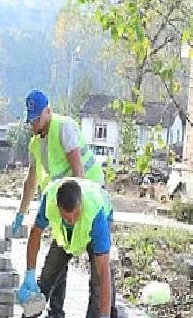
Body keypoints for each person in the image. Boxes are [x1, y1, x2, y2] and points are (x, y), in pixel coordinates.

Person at [11, 89, 108, 317]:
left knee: (98, 271)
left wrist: (78, 212)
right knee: (59, 255)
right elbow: (31, 181)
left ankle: (102, 313)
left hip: (87, 200)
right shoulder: (35, 144)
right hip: (62, 202)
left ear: (48, 111)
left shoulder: (64, 127)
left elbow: (78, 172)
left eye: (37, 118)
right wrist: (20, 213)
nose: (34, 123)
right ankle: (53, 312)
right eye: (31, 119)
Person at [18, 177, 116, 318]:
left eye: (76, 215)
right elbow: (35, 233)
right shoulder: (49, 201)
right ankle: (30, 314)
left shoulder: (97, 215)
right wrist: (30, 273)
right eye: (67, 217)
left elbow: (104, 273)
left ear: (80, 204)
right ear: (59, 209)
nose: (72, 220)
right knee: (47, 277)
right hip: (64, 237)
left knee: (97, 287)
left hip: (92, 229)